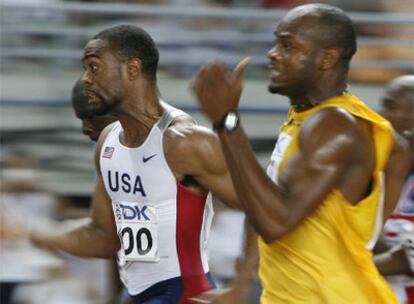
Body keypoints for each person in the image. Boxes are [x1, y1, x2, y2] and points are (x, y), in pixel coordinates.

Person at [191, 3, 410, 303]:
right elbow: (264, 201)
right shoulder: (304, 116)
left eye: (287, 45)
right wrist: (243, 282)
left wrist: (227, 122)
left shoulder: (336, 126)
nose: (272, 53)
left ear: (326, 59)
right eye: (276, 42)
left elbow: (276, 222)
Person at [33, 25, 256, 304]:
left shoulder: (184, 141)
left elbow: (258, 207)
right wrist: (34, 232)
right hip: (136, 294)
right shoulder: (107, 143)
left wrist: (242, 286)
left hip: (184, 294)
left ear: (133, 69)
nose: (86, 79)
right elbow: (104, 236)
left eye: (94, 67)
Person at [374, 75, 414, 303]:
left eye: (391, 106)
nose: (381, 114)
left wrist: (334, 273)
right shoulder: (376, 165)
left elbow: (406, 260)